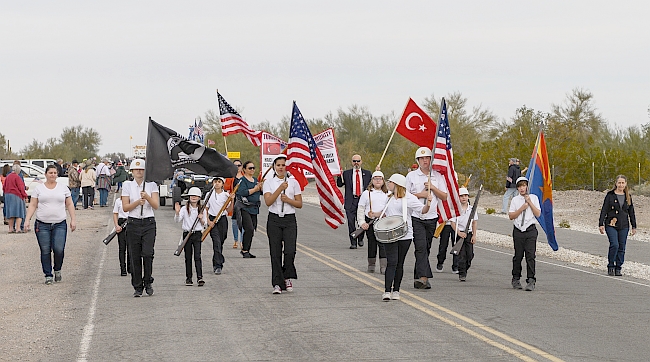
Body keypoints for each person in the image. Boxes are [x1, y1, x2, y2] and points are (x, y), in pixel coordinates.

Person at [382, 174, 433, 301]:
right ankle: (387, 291)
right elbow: (383, 213)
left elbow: (423, 210)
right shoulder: (388, 197)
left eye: (390, 182)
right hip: (390, 233)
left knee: (399, 263)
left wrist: (429, 203)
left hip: (405, 234)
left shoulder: (408, 198)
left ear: (397, 184)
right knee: (391, 262)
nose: (388, 184)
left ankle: (396, 290)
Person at [25, 165, 77, 284]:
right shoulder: (39, 189)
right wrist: (27, 219)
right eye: (50, 173)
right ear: (46, 174)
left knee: (59, 249)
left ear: (57, 174)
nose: (53, 175)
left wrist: (73, 219)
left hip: (59, 223)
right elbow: (33, 205)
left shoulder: (63, 188)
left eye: (55, 173)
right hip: (42, 224)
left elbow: (69, 204)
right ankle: (48, 274)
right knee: (45, 250)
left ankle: (57, 269)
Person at [405, 147, 447, 289]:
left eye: (427, 158)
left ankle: (418, 276)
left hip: (432, 217)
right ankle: (424, 278)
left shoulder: (437, 175)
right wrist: (420, 195)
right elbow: (404, 195)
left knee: (426, 248)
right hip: (417, 216)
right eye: (422, 158)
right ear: (417, 160)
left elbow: (444, 196)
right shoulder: (411, 176)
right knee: (420, 247)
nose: (425, 161)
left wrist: (433, 188)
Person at [263, 155, 303, 294]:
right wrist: (280, 189)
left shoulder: (293, 182)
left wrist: (288, 200)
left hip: (289, 219)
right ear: (274, 166)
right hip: (274, 219)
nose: (281, 168)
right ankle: (277, 283)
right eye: (278, 165)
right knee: (275, 252)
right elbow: (268, 202)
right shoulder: (269, 182)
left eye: (283, 165)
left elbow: (299, 204)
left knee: (290, 251)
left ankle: (287, 276)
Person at [121, 158, 159, 297]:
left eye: (141, 169)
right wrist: (138, 201)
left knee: (148, 254)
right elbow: (125, 207)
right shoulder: (127, 185)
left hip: (148, 222)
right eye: (136, 169)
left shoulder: (151, 185)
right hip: (133, 222)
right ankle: (137, 286)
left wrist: (147, 197)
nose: (139, 171)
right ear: (132, 171)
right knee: (134, 256)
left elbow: (156, 205)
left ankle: (148, 280)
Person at [599, 175, 637, 276]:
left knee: (622, 247)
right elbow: (604, 210)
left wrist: (634, 226)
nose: (621, 185)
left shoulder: (628, 197)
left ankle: (618, 267)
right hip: (611, 224)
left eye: (623, 183)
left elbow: (631, 212)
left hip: (624, 225)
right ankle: (611, 265)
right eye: (619, 183)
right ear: (616, 183)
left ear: (625, 184)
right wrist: (601, 223)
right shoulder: (610, 195)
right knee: (614, 245)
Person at [509, 176, 541, 291]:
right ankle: (516, 278)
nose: (522, 188)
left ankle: (531, 280)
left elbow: (538, 213)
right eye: (519, 186)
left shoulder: (534, 198)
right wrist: (522, 208)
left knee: (530, 256)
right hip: (518, 230)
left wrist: (529, 203)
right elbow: (511, 216)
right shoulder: (515, 200)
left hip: (530, 230)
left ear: (527, 186)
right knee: (518, 256)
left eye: (524, 185)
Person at [336, 155, 372, 249]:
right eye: (354, 161)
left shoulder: (367, 174)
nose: (356, 162)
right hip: (351, 201)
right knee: (351, 223)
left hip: (362, 201)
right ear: (352, 162)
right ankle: (353, 242)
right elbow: (339, 184)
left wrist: (378, 171)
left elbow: (373, 185)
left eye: (358, 161)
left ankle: (360, 238)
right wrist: (339, 176)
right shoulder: (347, 173)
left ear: (361, 161)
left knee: (362, 221)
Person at [356, 170, 389, 274]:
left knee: (383, 244)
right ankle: (371, 264)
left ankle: (383, 266)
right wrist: (362, 222)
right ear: (372, 180)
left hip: (383, 222)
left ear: (383, 181)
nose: (378, 180)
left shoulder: (388, 194)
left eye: (380, 178)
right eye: (376, 178)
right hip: (370, 222)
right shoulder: (366, 194)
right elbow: (361, 209)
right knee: (372, 243)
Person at [175, 187, 207, 287]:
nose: (193, 197)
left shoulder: (202, 209)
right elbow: (177, 220)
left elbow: (204, 224)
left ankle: (200, 277)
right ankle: (189, 278)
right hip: (187, 234)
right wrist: (177, 212)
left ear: (199, 197)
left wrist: (201, 219)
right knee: (188, 257)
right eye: (192, 196)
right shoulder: (184, 209)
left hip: (197, 234)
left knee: (197, 256)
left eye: (196, 196)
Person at [205, 177, 233, 275]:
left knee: (221, 241)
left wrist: (232, 200)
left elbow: (229, 210)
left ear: (222, 184)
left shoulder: (226, 195)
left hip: (222, 219)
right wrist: (208, 221)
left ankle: (217, 259)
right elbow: (206, 209)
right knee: (216, 242)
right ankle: (218, 265)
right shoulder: (209, 194)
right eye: (215, 182)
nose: (217, 184)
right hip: (213, 219)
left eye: (219, 182)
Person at [235, 161, 263, 258]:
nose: (252, 170)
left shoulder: (255, 180)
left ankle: (247, 249)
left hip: (254, 207)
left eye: (253, 168)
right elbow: (242, 192)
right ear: (244, 169)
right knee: (249, 228)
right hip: (244, 207)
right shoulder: (242, 180)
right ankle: (244, 249)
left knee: (252, 229)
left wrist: (261, 187)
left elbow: (260, 193)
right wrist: (254, 189)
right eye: (250, 168)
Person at [450, 187, 478, 282]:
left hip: (469, 233)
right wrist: (458, 232)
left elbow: (474, 222)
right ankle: (462, 273)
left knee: (470, 254)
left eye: (465, 195)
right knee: (461, 255)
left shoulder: (472, 209)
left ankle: (465, 268)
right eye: (461, 196)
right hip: (459, 234)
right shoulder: (455, 209)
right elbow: (453, 223)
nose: (463, 198)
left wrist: (474, 235)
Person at [3, 164, 28, 233]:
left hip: (8, 195)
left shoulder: (8, 177)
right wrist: (25, 195)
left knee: (11, 213)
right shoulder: (17, 177)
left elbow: (4, 187)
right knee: (19, 212)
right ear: (18, 171)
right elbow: (21, 188)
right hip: (16, 195)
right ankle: (18, 228)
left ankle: (11, 229)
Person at [225, 160, 244, 249]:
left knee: (244, 222)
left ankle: (242, 241)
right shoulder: (231, 177)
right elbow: (226, 187)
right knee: (234, 222)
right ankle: (236, 240)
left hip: (244, 202)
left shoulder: (245, 177)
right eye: (235, 165)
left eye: (239, 165)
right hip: (235, 202)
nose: (237, 167)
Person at [113, 197, 131, 276]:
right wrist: (116, 225)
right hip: (121, 223)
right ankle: (123, 268)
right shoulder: (118, 201)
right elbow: (115, 213)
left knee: (131, 247)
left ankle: (130, 267)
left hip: (131, 223)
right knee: (122, 247)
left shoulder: (134, 199)